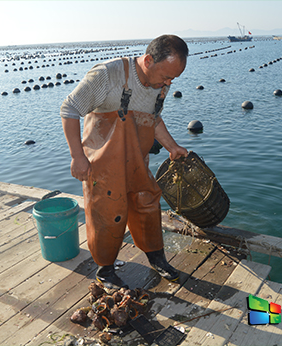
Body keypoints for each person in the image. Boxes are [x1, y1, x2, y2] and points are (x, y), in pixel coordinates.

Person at [60, 34, 189, 289]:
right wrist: (77, 156)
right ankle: (105, 270)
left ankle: (156, 257)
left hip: (137, 161)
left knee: (148, 204)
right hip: (103, 165)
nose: (169, 82)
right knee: (108, 215)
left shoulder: (161, 84)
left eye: (174, 78)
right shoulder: (108, 75)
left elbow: (153, 119)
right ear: (149, 60)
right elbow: (69, 109)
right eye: (166, 76)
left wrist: (172, 147)